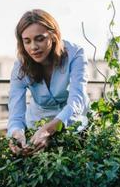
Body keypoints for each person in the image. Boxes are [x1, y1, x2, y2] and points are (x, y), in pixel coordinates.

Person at [7, 9, 90, 155]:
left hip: (72, 121)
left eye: (40, 39)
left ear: (53, 36)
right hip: (37, 124)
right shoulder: (20, 66)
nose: (33, 47)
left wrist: (49, 130)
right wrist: (16, 134)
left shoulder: (75, 54)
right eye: (27, 41)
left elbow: (76, 101)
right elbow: (16, 113)